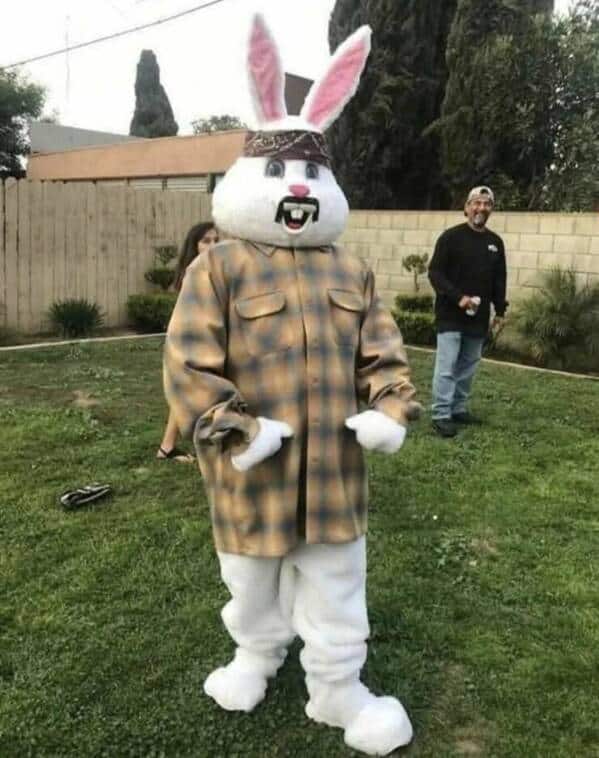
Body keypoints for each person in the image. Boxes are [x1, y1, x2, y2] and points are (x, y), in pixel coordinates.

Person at [163, 15, 419, 756]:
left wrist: (390, 408)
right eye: (280, 173)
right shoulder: (218, 267)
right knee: (249, 576)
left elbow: (383, 351)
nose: (298, 188)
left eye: (311, 174)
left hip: (333, 473)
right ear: (250, 178)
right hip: (251, 474)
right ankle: (254, 654)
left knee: (337, 580)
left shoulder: (351, 270)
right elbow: (188, 361)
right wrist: (237, 429)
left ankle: (337, 688)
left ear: (328, 183)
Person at [428, 186, 507, 438]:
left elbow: (499, 280)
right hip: (450, 315)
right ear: (467, 207)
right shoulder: (450, 238)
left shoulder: (495, 243)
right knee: (447, 366)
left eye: (487, 204)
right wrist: (458, 298)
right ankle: (441, 414)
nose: (481, 208)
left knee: (468, 366)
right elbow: (435, 273)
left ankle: (458, 408)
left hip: (478, 318)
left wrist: (500, 311)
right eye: (477, 203)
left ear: (491, 209)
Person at [157, 221, 218, 460]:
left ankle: (168, 447)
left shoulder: (210, 268)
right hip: (194, 341)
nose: (212, 245)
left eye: (216, 240)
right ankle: (168, 446)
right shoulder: (196, 271)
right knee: (188, 392)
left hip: (202, 339)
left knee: (186, 392)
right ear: (195, 246)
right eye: (206, 241)